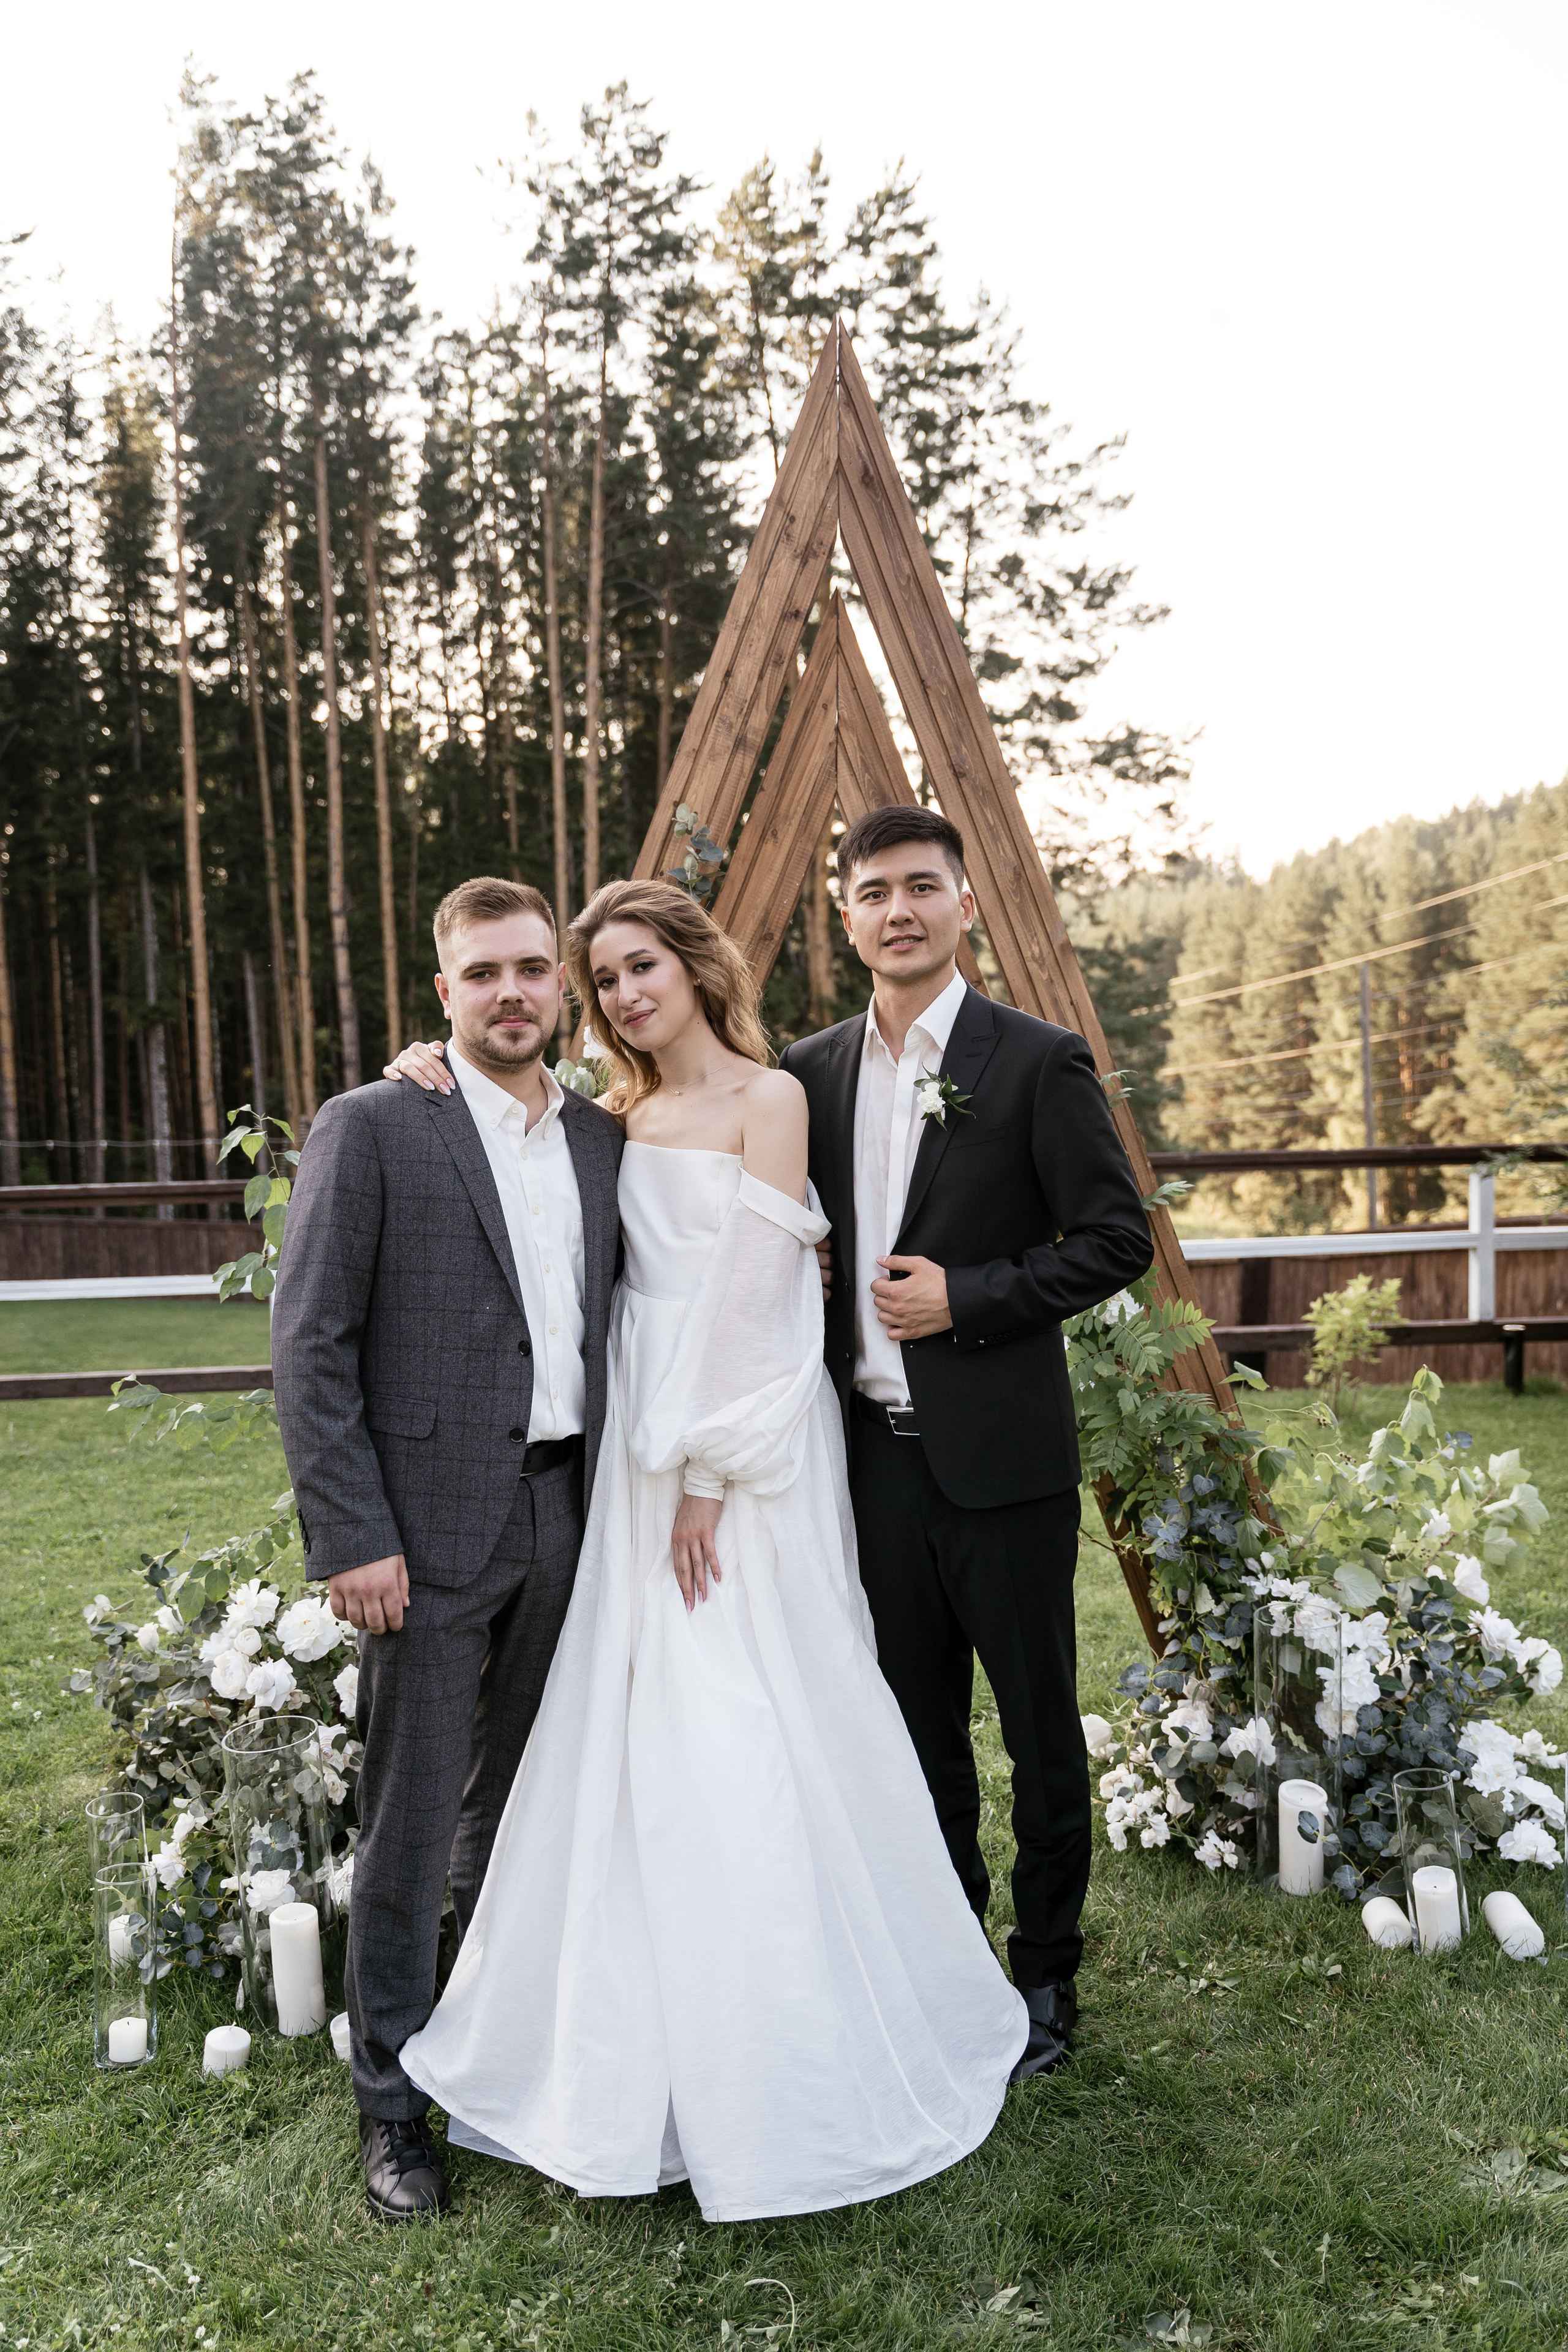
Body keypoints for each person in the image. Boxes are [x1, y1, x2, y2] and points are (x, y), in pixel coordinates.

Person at [384, 880, 1027, 2223]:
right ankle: (633, 2062)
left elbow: (760, 1298)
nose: (622, 995)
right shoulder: (606, 1119)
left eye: (638, 968)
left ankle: (778, 2061)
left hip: (729, 1454)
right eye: (602, 978)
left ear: (690, 964)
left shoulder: (767, 1097)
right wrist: (421, 1063)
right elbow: (528, 1176)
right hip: (628, 1444)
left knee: (740, 1718)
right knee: (621, 1733)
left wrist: (711, 1477)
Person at [778, 805, 1155, 2082]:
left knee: (1039, 1730)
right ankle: (946, 1962)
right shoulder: (805, 1071)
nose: (898, 910)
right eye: (873, 891)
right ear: (845, 918)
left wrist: (970, 1295)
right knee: (911, 1733)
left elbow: (1115, 1241)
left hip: (1000, 1463)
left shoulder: (1033, 1059)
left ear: (964, 905)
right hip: (865, 1463)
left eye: (921, 887)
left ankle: (1044, 1977)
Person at [271, 876, 625, 2223]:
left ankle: (479, 2048)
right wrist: (352, 1535)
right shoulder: (372, 1127)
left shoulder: (599, 1139)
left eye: (534, 970)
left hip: (566, 1514)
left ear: (562, 987)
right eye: (483, 974)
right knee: (411, 1816)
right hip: (419, 1537)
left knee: (521, 1803)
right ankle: (390, 2101)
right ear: (443, 992)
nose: (512, 994)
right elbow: (309, 1346)